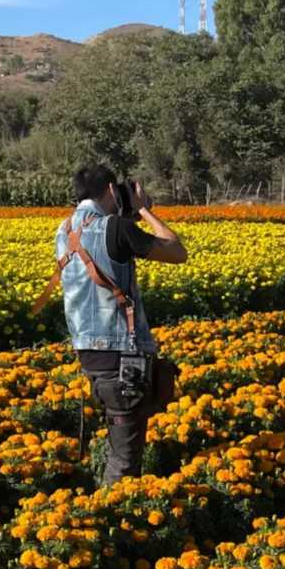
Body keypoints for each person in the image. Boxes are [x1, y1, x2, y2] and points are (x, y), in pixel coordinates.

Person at [49, 165, 187, 485]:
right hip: (120, 356)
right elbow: (177, 251)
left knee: (119, 440)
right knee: (125, 459)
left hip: (89, 354)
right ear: (112, 190)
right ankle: (112, 516)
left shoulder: (64, 228)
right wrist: (143, 211)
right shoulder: (116, 228)